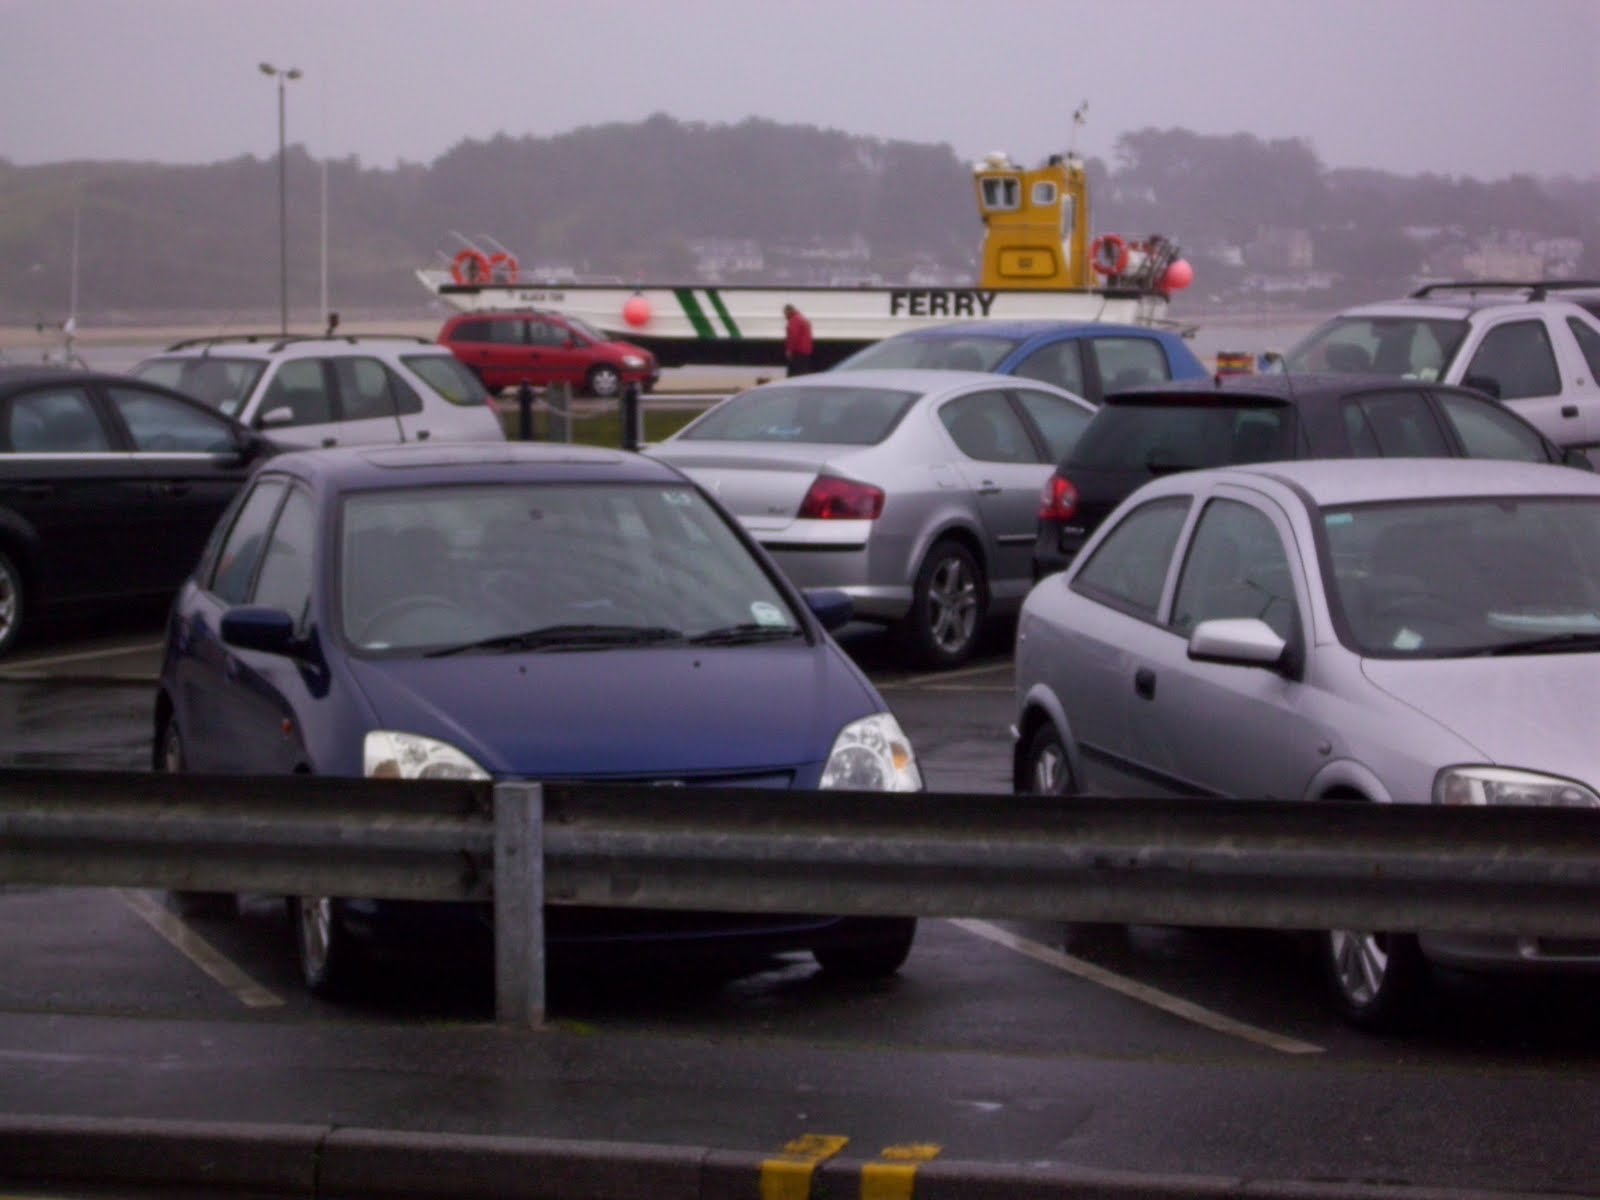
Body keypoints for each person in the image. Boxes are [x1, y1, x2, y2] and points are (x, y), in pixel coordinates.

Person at [783, 304, 814, 376]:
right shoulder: (803, 319)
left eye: (785, 313)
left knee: (793, 374)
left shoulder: (794, 321)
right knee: (802, 372)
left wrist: (789, 350)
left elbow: (793, 337)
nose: (785, 316)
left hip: (798, 352)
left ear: (789, 311)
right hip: (806, 351)